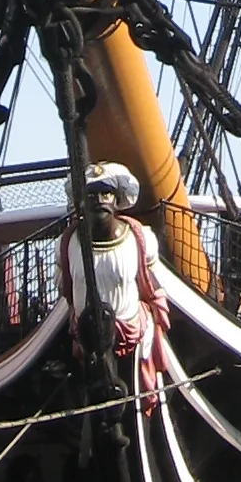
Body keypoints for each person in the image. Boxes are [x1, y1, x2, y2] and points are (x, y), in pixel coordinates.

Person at [66, 162, 172, 414]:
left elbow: (154, 282)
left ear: (116, 199)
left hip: (130, 335)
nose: (99, 200)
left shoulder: (138, 238)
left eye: (106, 193)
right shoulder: (69, 242)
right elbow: (66, 286)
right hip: (88, 338)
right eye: (92, 194)